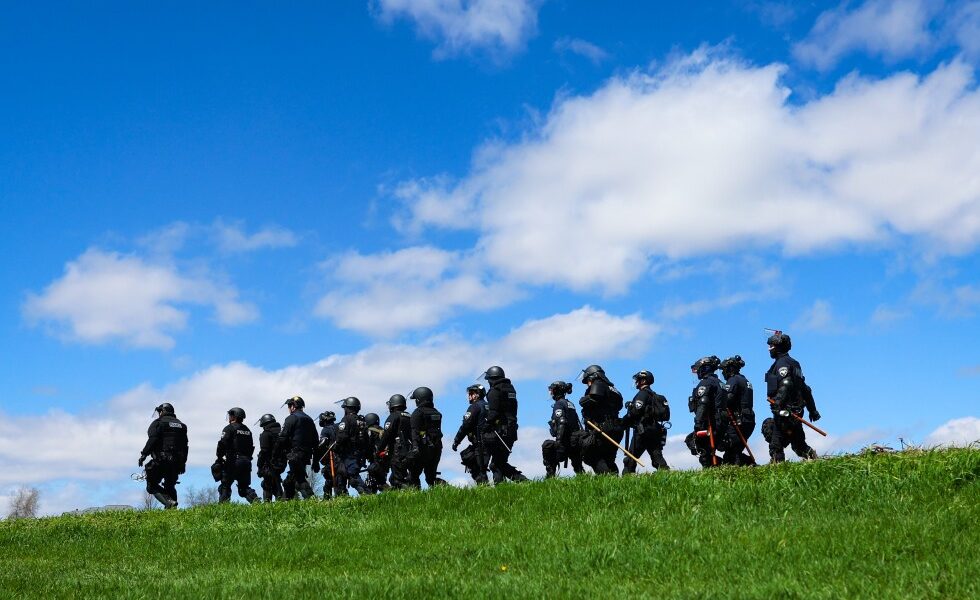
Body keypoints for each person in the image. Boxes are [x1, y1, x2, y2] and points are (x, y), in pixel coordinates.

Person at [764, 332, 820, 463]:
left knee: (776, 445)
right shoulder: (795, 363)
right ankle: (815, 460)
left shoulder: (782, 363)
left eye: (771, 346)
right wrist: (813, 410)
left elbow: (786, 384)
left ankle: (778, 470)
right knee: (799, 445)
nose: (769, 349)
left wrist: (778, 404)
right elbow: (805, 388)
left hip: (785, 411)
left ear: (778, 347)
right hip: (796, 411)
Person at [483, 366, 528, 483]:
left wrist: (485, 425)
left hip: (501, 432)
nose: (487, 382)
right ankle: (504, 487)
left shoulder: (494, 391)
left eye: (488, 379)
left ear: (492, 379)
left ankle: (523, 481)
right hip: (511, 430)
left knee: (496, 464)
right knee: (499, 462)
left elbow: (493, 412)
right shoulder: (510, 390)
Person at [139, 402, 188, 509]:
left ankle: (169, 502)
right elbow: (185, 446)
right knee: (170, 485)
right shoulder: (182, 426)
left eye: (159, 411)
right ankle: (172, 509)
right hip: (177, 461)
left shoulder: (158, 423)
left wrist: (143, 455)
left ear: (163, 411)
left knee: (151, 486)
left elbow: (152, 439)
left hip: (162, 460)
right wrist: (183, 463)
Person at [577, 364, 624, 475]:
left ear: (593, 376)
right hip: (616, 427)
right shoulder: (614, 390)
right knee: (608, 458)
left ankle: (608, 480)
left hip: (602, 428)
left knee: (592, 456)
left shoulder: (598, 384)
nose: (588, 384)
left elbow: (592, 399)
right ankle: (616, 482)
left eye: (588, 380)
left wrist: (582, 400)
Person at [622, 370, 670, 474]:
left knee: (630, 457)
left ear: (643, 381)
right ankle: (666, 473)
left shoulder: (642, 394)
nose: (636, 382)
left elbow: (636, 411)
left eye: (638, 380)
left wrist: (623, 421)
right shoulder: (653, 395)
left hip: (643, 430)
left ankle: (627, 479)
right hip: (655, 429)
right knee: (656, 455)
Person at [276, 396, 318, 500]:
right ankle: (284, 504)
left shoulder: (291, 418)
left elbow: (282, 438)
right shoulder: (309, 419)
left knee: (299, 479)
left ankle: (313, 500)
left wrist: (276, 456)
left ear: (293, 406)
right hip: (306, 455)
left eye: (289, 406)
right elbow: (315, 441)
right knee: (290, 481)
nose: (289, 409)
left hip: (294, 454)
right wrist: (316, 461)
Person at [215, 407, 259, 503]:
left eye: (230, 415)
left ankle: (223, 509)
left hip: (233, 461)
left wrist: (219, 458)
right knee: (244, 488)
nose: (229, 418)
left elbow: (222, 444)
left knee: (225, 486)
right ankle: (257, 502)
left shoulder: (229, 428)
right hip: (246, 462)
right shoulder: (247, 430)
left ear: (233, 416)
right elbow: (251, 447)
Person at [686, 356, 724, 468]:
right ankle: (720, 467)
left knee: (697, 445)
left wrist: (698, 423)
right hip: (721, 421)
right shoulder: (720, 382)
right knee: (707, 449)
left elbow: (703, 402)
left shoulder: (706, 383)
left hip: (711, 421)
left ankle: (715, 469)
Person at [541, 381, 584, 478]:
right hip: (575, 440)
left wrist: (558, 442)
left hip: (566, 441)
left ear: (556, 391)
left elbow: (562, 421)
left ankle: (550, 476)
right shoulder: (570, 404)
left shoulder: (559, 404)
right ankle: (583, 478)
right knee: (578, 467)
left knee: (547, 446)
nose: (550, 393)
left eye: (552, 390)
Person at [718, 355, 756, 466]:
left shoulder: (733, 380)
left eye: (724, 370)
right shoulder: (745, 380)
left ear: (730, 369)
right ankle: (750, 466)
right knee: (734, 451)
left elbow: (727, 399)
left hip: (738, 420)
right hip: (748, 419)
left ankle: (747, 467)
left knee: (732, 452)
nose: (723, 373)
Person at [409, 386, 447, 487]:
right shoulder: (437, 413)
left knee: (413, 475)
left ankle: (415, 496)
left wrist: (415, 448)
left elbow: (414, 432)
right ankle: (445, 489)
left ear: (419, 399)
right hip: (437, 448)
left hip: (423, 448)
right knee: (430, 477)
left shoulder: (417, 413)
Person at [452, 383, 490, 485]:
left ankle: (484, 490)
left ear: (477, 395)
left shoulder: (474, 407)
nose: (469, 396)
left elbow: (465, 426)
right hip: (491, 441)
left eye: (471, 393)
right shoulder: (489, 406)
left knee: (477, 468)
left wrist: (456, 441)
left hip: (480, 442)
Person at [335, 397, 371, 495]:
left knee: (353, 477)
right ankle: (342, 497)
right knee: (344, 476)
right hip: (359, 455)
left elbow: (342, 436)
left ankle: (368, 495)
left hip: (349, 454)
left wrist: (336, 447)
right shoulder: (362, 421)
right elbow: (367, 440)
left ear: (347, 408)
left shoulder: (346, 419)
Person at [378, 394, 414, 489]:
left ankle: (411, 491)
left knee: (397, 480)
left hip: (398, 450)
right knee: (396, 478)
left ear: (392, 405)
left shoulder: (393, 416)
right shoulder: (410, 416)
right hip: (411, 449)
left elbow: (386, 435)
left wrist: (379, 450)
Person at [256, 413, 285, 502]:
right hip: (281, 463)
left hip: (269, 463)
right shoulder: (282, 433)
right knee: (276, 482)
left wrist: (259, 465)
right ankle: (281, 502)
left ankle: (267, 506)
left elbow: (264, 451)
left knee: (267, 484)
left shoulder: (266, 434)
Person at [363, 413, 390, 493]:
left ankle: (383, 488)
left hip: (376, 457)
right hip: (386, 457)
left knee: (373, 473)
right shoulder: (382, 430)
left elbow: (368, 444)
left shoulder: (370, 431)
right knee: (382, 475)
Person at [315, 410, 339, 499]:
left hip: (332, 458)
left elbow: (322, 443)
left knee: (330, 481)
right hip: (341, 458)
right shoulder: (338, 427)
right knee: (339, 480)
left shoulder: (325, 430)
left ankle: (327, 500)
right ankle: (342, 496)